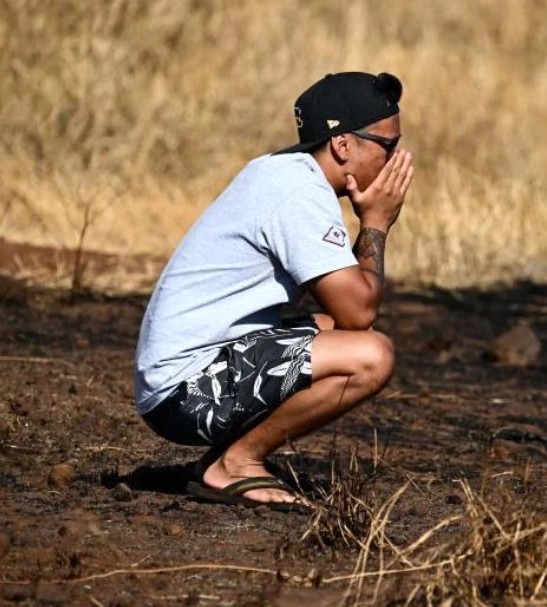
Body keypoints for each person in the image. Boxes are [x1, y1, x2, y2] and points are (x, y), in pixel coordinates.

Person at [133, 72, 413, 511]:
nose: (397, 161)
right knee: (373, 355)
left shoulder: (284, 173)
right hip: (182, 393)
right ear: (343, 146)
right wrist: (376, 224)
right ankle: (237, 462)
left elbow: (348, 311)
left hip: (185, 372)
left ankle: (225, 459)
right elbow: (361, 310)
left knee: (336, 330)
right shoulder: (298, 193)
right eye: (388, 147)